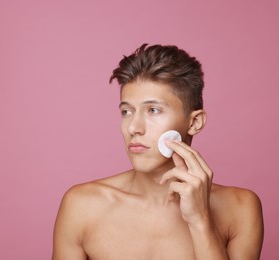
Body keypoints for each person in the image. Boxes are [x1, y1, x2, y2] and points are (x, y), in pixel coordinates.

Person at [52, 44, 264, 259]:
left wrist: (200, 221)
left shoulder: (241, 208)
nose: (134, 127)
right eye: (126, 111)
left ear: (195, 122)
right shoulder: (82, 205)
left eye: (153, 110)